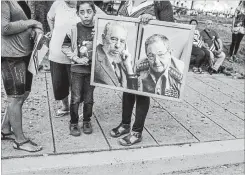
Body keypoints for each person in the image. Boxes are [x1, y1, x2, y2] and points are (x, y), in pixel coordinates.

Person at [110, 0, 174, 146]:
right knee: (127, 90)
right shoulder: (126, 2)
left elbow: (171, 28)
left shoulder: (160, 3)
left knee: (142, 92)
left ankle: (136, 132)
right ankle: (125, 124)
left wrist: (154, 21)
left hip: (147, 59)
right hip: (127, 57)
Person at [1, 1, 43, 152]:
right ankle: (19, 140)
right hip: (12, 57)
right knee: (15, 98)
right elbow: (4, 28)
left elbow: (24, 24)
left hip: (26, 54)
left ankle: (5, 129)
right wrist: (31, 22)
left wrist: (35, 29)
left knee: (23, 94)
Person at [62, 1, 97, 136]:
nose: (86, 15)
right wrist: (76, 58)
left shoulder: (99, 29)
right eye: (82, 12)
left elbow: (104, 49)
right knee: (75, 98)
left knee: (89, 98)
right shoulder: (73, 29)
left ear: (94, 12)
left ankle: (87, 120)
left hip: (92, 71)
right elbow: (64, 46)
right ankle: (74, 122)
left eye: (89, 12)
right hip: (77, 70)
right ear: (77, 14)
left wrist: (97, 39)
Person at [47, 0, 79, 117]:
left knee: (77, 84)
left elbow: (103, 19)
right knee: (59, 83)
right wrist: (52, 30)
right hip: (56, 52)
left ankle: (77, 109)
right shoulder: (57, 4)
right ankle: (65, 106)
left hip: (77, 56)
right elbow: (49, 17)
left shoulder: (86, 5)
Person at [94, 21, 136, 89]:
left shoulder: (120, 63)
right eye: (113, 39)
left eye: (122, 41)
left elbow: (133, 91)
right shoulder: (95, 58)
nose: (118, 45)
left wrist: (128, 67)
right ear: (103, 38)